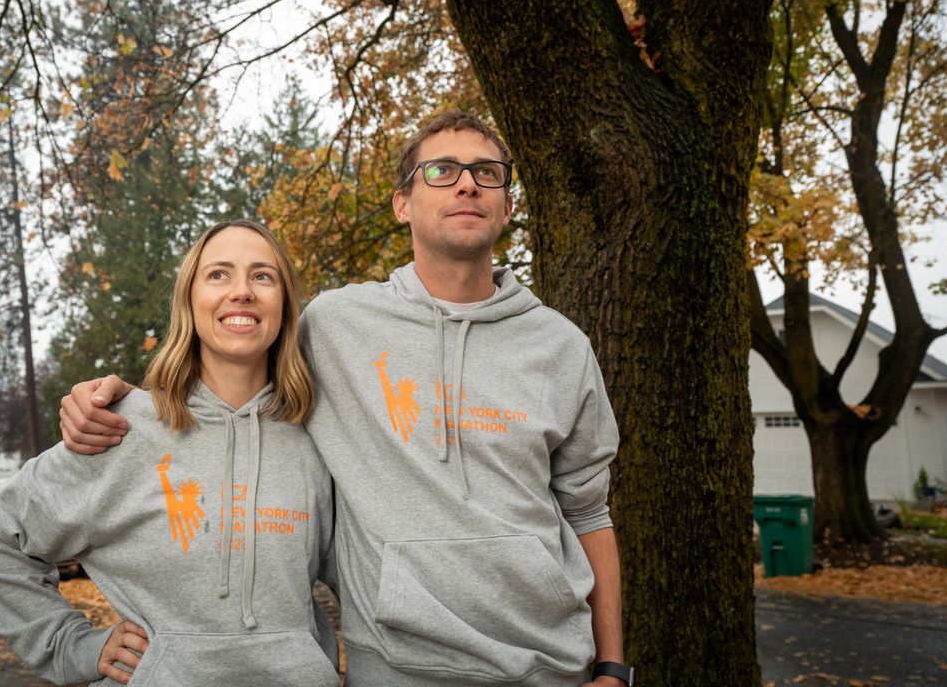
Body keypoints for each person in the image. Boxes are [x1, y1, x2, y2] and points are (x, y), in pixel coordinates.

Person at [62, 110, 631, 687]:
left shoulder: (561, 345)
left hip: (553, 665)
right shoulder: (335, 325)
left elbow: (587, 511)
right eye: (441, 170)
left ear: (507, 205)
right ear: (402, 203)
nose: (466, 184)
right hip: (396, 668)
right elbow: (233, 374)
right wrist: (129, 401)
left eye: (487, 172)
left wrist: (611, 667)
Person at [0, 220, 337, 686]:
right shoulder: (120, 429)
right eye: (218, 274)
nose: (241, 291)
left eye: (263, 276)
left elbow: (362, 572)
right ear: (189, 301)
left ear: (284, 305)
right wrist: (71, 646)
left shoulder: (320, 437)